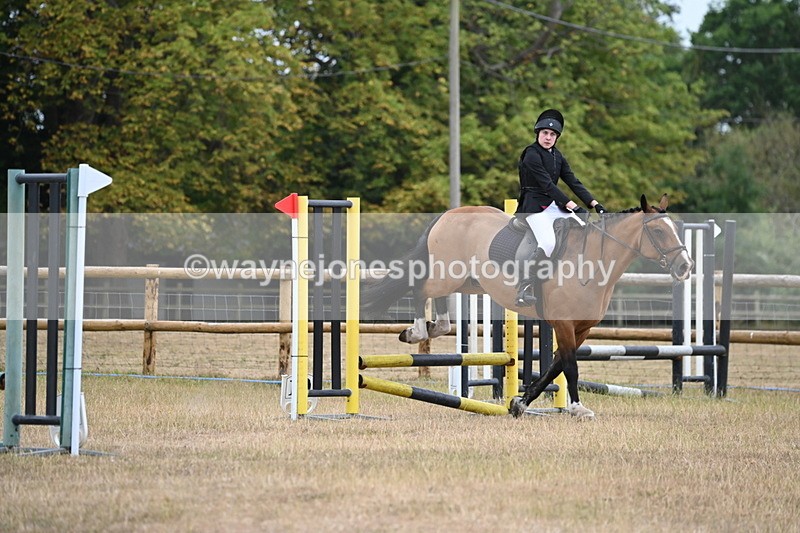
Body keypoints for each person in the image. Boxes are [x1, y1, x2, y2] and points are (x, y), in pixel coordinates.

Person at [514, 108, 606, 306]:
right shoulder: (531, 154)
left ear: (556, 138)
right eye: (545, 133)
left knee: (582, 229)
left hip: (552, 205)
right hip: (533, 207)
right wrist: (573, 205)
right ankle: (525, 287)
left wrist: (594, 204)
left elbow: (573, 181)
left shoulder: (557, 156)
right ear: (538, 133)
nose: (548, 137)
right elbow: (547, 185)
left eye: (552, 134)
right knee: (548, 242)